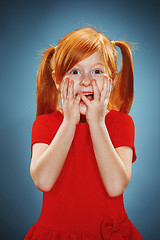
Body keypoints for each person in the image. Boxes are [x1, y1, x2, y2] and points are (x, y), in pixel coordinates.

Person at [24, 27, 143, 239]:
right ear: (58, 81)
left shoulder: (121, 123)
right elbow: (43, 180)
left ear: (112, 80)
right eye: (75, 71)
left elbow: (116, 186)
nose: (86, 81)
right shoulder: (45, 124)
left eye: (97, 72)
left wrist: (96, 122)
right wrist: (69, 121)